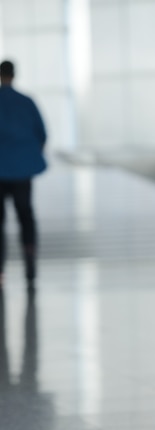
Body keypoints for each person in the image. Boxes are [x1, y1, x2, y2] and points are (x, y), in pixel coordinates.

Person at [0, 60, 47, 291]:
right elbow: (42, 134)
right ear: (14, 75)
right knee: (25, 217)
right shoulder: (26, 102)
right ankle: (30, 265)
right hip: (21, 172)